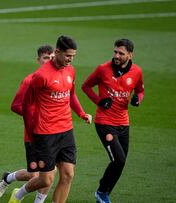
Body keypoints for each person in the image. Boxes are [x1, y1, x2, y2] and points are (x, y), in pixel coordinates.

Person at [8, 35, 92, 203]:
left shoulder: (71, 70)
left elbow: (71, 94)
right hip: (46, 133)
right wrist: (32, 133)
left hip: (66, 130)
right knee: (45, 180)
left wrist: (82, 114)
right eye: (68, 55)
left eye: (73, 56)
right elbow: (26, 105)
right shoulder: (41, 76)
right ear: (57, 51)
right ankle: (18, 194)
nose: (71, 59)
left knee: (68, 175)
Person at [81, 39, 144, 203]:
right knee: (119, 159)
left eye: (120, 53)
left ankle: (103, 194)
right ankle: (101, 192)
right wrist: (99, 101)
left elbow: (140, 90)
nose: (116, 55)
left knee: (120, 163)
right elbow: (86, 86)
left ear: (130, 55)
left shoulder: (137, 71)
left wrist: (138, 99)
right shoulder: (103, 69)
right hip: (104, 122)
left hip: (124, 123)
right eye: (115, 52)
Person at [0, 45, 55, 203]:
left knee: (49, 172)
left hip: (52, 132)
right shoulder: (30, 81)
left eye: (52, 57)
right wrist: (36, 118)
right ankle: (8, 178)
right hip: (34, 133)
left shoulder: (56, 78)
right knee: (34, 175)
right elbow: (15, 106)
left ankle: (36, 200)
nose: (49, 60)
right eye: (46, 58)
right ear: (39, 60)